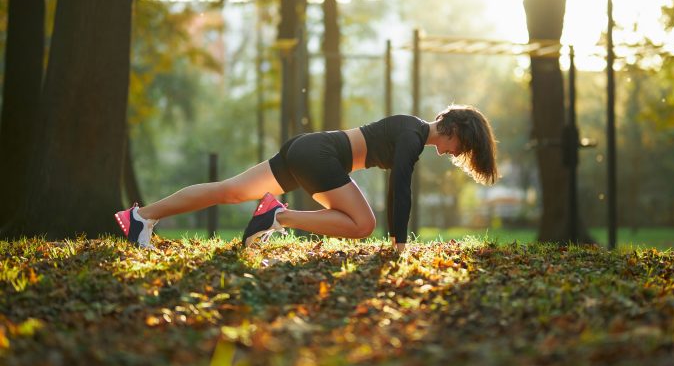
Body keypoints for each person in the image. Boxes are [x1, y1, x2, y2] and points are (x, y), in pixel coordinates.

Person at [114, 104, 499, 251]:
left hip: (309, 149)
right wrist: (400, 245)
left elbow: (399, 186)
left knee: (228, 191)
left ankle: (140, 217)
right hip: (319, 155)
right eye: (460, 147)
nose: (454, 154)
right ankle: (277, 217)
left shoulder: (411, 130)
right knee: (364, 224)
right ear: (454, 129)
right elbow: (400, 188)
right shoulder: (413, 135)